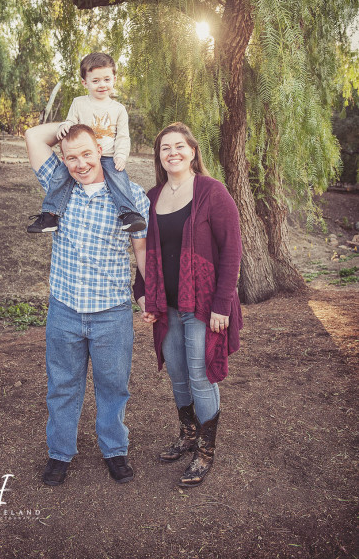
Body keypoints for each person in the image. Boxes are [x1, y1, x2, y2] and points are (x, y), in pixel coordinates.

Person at [25, 122, 149, 486]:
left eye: (87, 154)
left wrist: (149, 296)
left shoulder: (130, 196)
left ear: (101, 152)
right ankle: (59, 454)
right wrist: (63, 128)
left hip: (112, 312)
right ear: (62, 160)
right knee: (63, 385)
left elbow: (140, 248)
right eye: (71, 157)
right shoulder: (58, 188)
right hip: (65, 310)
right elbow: (34, 137)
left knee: (113, 385)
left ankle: (114, 450)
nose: (79, 164)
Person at [133, 122, 243, 488]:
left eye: (179, 146)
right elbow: (146, 251)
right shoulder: (151, 197)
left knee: (200, 373)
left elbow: (232, 251)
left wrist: (222, 305)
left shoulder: (212, 192)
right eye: (165, 147)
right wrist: (142, 293)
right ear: (159, 155)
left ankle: (205, 452)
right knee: (178, 372)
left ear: (193, 151)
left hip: (203, 304)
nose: (172, 152)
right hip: (167, 305)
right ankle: (188, 432)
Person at [27, 52, 146, 234]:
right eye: (96, 80)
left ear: (114, 79)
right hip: (82, 154)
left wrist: (121, 155)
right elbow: (70, 121)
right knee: (60, 176)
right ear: (85, 82)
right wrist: (65, 126)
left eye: (106, 79)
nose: (102, 85)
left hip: (107, 155)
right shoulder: (79, 103)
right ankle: (50, 215)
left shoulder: (119, 109)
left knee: (119, 178)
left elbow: (123, 137)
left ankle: (129, 214)